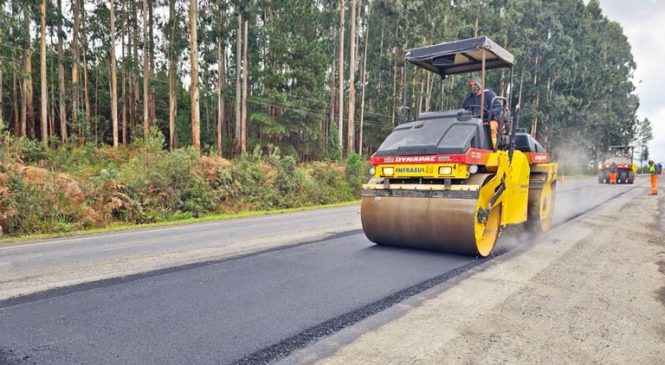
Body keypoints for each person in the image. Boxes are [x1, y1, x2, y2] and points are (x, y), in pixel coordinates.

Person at [463, 76, 503, 148]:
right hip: (472, 123)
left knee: (492, 127)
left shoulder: (489, 95)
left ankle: (494, 148)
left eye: (475, 85)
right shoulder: (468, 100)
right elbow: (464, 111)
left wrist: (487, 114)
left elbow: (498, 108)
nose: (473, 87)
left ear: (479, 85)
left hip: (488, 121)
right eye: (471, 85)